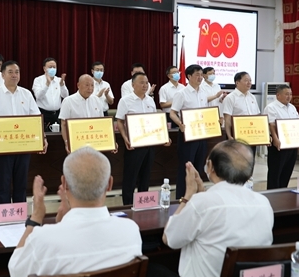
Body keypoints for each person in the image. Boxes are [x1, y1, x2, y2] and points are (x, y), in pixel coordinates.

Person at [0, 147, 142, 277]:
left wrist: (35, 219)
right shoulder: (131, 231)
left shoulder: (42, 238)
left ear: (64, 183)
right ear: (109, 184)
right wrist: (63, 223)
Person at [147, 140, 273, 277]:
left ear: (211, 167)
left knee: (149, 271)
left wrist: (189, 195)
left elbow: (169, 238)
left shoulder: (204, 203)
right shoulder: (263, 203)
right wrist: (201, 195)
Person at [0, 60, 48, 204]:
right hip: (2, 147)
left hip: (23, 146)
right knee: (3, 185)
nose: (14, 75)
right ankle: (4, 216)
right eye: (10, 72)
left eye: (17, 72)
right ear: (3, 75)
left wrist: (43, 138)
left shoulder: (26, 94)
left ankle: (20, 215)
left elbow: (36, 119)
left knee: (21, 184)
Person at [116, 72, 170, 204]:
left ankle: (142, 205)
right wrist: (125, 138)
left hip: (149, 145)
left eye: (146, 83)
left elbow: (155, 122)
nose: (145, 85)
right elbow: (120, 121)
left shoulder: (150, 100)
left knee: (145, 177)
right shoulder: (125, 101)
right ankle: (128, 206)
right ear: (133, 85)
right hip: (134, 146)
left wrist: (164, 137)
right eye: (142, 83)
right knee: (130, 178)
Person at [170, 64, 211, 199]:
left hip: (202, 134)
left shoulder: (203, 93)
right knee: (186, 167)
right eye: (197, 75)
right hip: (187, 135)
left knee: (199, 166)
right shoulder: (181, 93)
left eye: (201, 75)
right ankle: (182, 197)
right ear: (189, 76)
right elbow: (172, 113)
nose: (200, 77)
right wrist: (180, 124)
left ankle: (196, 197)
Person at [264, 84, 299, 189]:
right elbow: (271, 125)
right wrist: (275, 139)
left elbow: (298, 124)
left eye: (290, 94)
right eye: (286, 94)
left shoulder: (292, 107)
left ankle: (282, 191)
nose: (289, 96)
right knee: (275, 172)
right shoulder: (271, 107)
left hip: (292, 143)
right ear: (278, 95)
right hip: (278, 144)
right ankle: (272, 194)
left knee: (287, 170)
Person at [58, 74, 104, 154]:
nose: (90, 88)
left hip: (95, 143)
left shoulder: (97, 100)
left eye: (92, 85)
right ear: (78, 85)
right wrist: (67, 142)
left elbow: (102, 123)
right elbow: (64, 124)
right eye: (87, 85)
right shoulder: (68, 101)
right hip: (76, 144)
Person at [32, 57, 68, 132]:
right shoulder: (38, 80)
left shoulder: (59, 80)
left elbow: (65, 96)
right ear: (44, 68)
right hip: (43, 114)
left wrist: (62, 85)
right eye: (50, 67)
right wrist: (47, 84)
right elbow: (38, 96)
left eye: (54, 67)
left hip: (57, 114)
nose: (52, 69)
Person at [222, 71, 260, 140]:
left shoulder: (252, 97)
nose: (249, 83)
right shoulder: (230, 98)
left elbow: (257, 116)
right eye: (246, 80)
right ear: (237, 83)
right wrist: (229, 136)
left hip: (252, 133)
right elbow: (227, 119)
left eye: (250, 80)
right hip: (237, 134)